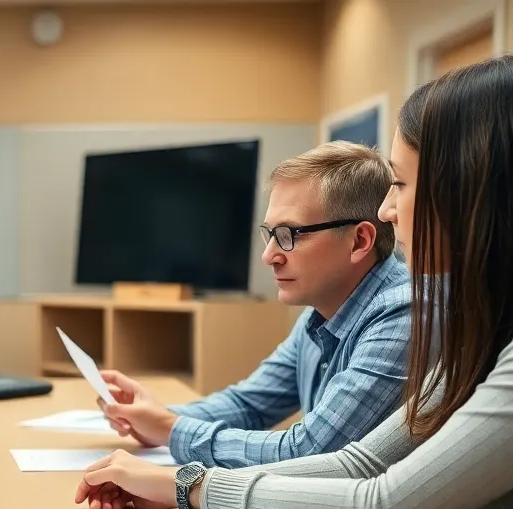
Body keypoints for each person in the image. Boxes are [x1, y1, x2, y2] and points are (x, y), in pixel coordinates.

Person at [75, 55, 513, 509]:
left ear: (476, 191)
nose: (387, 211)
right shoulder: (492, 317)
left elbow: (384, 508)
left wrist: (190, 487)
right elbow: (361, 465)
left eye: (400, 185)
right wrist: (183, 479)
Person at [99, 141, 412, 468]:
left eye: (290, 234)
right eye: (270, 234)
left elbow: (310, 453)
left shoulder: (402, 312)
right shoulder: (322, 310)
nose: (269, 256)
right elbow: (249, 405)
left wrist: (170, 429)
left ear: (359, 241)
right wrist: (149, 415)